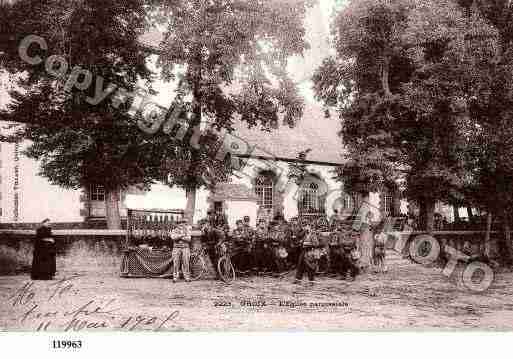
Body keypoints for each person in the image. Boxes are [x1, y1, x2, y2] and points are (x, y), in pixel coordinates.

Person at [294, 221, 318, 285]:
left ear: (310, 226)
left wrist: (307, 244)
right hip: (303, 251)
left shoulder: (313, 234)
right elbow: (298, 237)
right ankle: (298, 280)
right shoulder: (304, 234)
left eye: (307, 226)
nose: (305, 227)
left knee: (310, 267)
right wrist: (301, 243)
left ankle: (311, 281)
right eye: (304, 226)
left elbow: (316, 244)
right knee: (300, 265)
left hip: (310, 252)